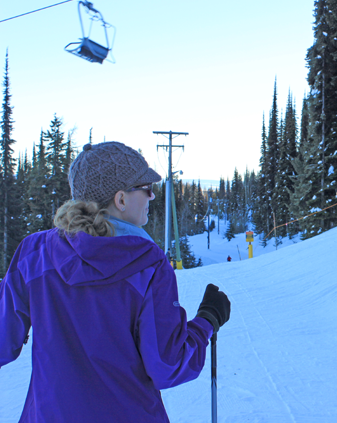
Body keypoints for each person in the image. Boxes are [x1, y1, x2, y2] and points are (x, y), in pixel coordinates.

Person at [0, 142, 231, 423]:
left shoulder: (33, 253)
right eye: (146, 188)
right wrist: (207, 320)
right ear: (121, 200)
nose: (152, 196)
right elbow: (168, 366)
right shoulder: (149, 264)